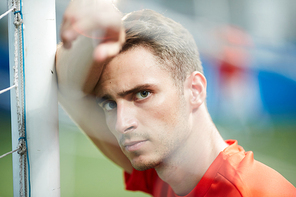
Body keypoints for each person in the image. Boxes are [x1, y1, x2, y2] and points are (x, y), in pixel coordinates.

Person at [56, 1, 296, 196]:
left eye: (142, 94)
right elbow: (68, 88)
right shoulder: (168, 175)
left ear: (195, 90)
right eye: (109, 104)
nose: (121, 123)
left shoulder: (245, 191)